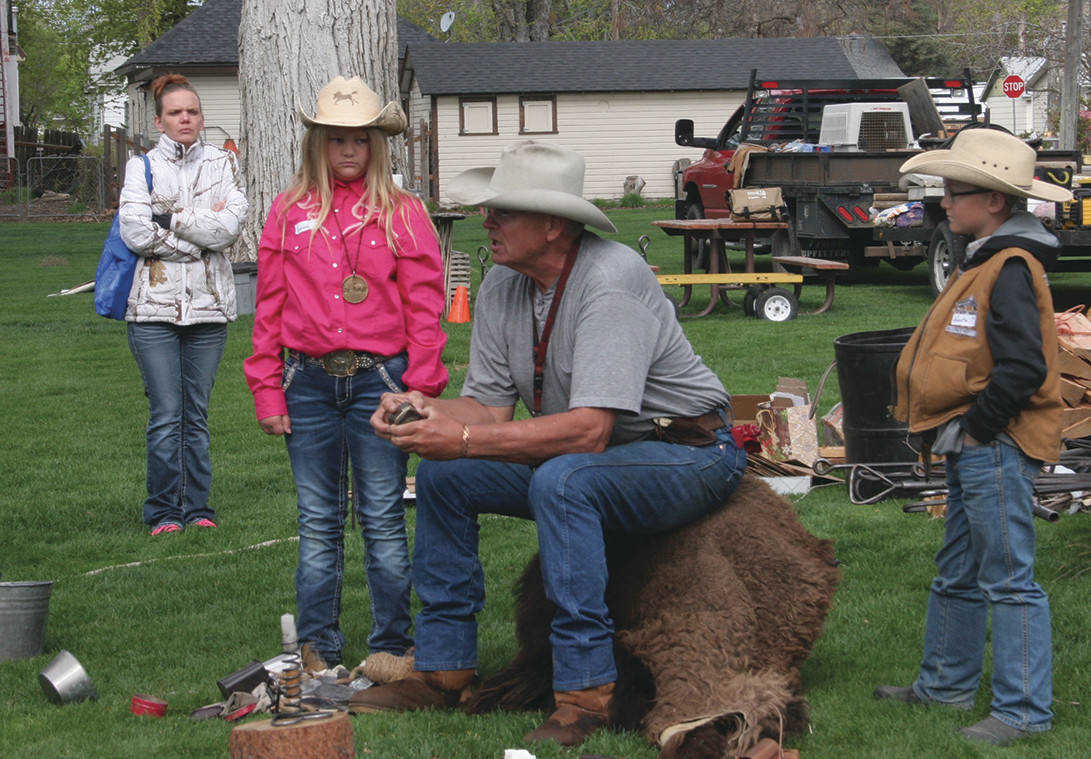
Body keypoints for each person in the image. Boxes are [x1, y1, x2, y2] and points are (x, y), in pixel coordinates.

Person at [352, 141, 748, 748]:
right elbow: (487, 409)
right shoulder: (500, 285)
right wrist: (427, 410)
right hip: (608, 452)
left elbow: (589, 431)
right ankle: (443, 670)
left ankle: (587, 694)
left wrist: (461, 438)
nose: (487, 220)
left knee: (562, 480)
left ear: (554, 225)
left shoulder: (612, 279)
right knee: (443, 476)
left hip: (690, 451)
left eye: (503, 211)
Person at [244, 76, 448, 670]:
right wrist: (267, 390)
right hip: (305, 383)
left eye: (360, 140)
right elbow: (269, 307)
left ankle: (392, 646)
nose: (350, 151)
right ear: (319, 144)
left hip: (380, 384)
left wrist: (420, 386)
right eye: (337, 140)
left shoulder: (403, 213)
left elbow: (425, 306)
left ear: (377, 145)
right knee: (317, 520)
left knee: (382, 515)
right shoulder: (288, 212)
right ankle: (317, 646)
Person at [875, 127, 1070, 746]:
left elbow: (1024, 367)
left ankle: (1022, 713)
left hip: (995, 443)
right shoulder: (985, 257)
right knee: (958, 571)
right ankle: (944, 685)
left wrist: (978, 429)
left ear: (993, 201)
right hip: (973, 440)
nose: (944, 203)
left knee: (1009, 580)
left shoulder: (1009, 266)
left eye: (955, 193)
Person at [118, 73, 248, 536]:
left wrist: (170, 219)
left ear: (201, 116)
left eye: (192, 111)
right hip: (153, 310)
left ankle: (197, 507)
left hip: (209, 310)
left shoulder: (223, 164)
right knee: (166, 414)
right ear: (160, 121)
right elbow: (135, 231)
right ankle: (163, 511)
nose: (185, 119)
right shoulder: (142, 168)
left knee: (196, 415)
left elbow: (228, 229)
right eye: (175, 112)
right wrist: (197, 241)